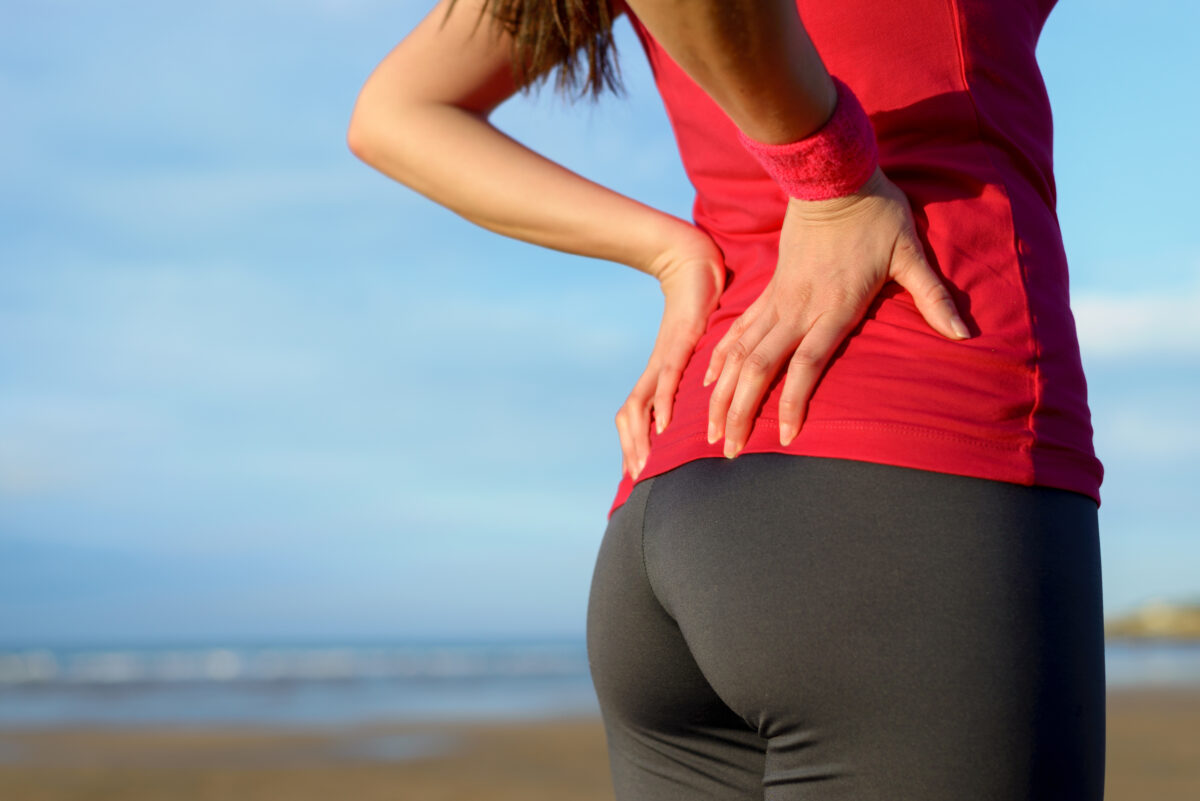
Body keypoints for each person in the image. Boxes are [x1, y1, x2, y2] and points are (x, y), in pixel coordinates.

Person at [348, 0, 1106, 798]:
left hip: (680, 491)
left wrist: (668, 251)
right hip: (911, 468)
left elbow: (395, 113)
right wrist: (830, 176)